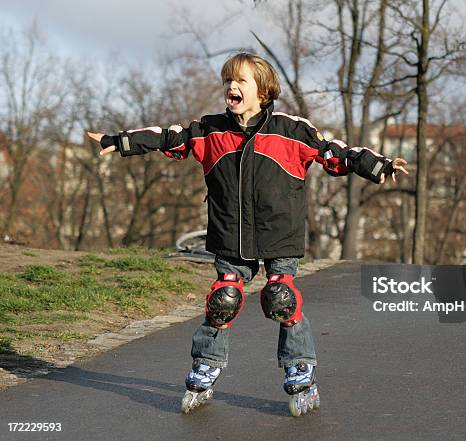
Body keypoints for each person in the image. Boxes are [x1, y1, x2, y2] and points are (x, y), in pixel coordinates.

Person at [88, 52, 409, 414]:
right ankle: (205, 366)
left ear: (264, 90)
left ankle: (300, 372)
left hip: (279, 233)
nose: (232, 86)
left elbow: (335, 153)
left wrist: (377, 165)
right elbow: (167, 137)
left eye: (241, 81)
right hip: (231, 234)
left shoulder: (291, 130)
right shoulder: (211, 131)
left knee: (280, 298)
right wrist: (122, 141)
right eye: (228, 80)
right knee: (223, 300)